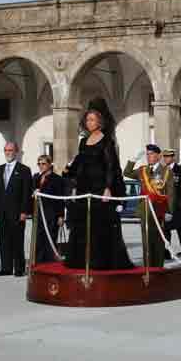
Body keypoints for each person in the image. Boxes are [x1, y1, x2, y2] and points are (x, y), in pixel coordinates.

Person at [65, 107, 133, 271]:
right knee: (81, 225)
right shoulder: (83, 141)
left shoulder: (106, 140)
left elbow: (111, 166)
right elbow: (80, 164)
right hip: (83, 187)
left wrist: (108, 188)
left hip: (99, 187)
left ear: (100, 122)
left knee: (99, 226)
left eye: (93, 120)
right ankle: (80, 260)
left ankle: (100, 261)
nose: (89, 123)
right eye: (87, 120)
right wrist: (72, 182)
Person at [124, 144, 175, 268]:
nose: (149, 156)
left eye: (151, 154)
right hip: (145, 210)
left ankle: (158, 267)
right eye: (147, 154)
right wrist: (133, 159)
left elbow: (171, 192)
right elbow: (127, 173)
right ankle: (148, 268)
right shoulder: (142, 170)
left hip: (159, 209)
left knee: (158, 240)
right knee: (146, 240)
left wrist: (170, 211)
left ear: (158, 156)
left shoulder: (166, 171)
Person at [0, 141, 33, 277]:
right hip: (2, 212)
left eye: (11, 150)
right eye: (6, 150)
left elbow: (26, 193)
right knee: (4, 240)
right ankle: (6, 268)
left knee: (17, 240)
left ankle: (19, 268)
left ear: (16, 152)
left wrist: (24, 211)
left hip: (17, 212)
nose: (8, 153)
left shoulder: (24, 170)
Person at [32, 154, 67, 264]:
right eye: (39, 164)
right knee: (38, 239)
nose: (41, 166)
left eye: (43, 163)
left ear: (49, 164)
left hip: (52, 214)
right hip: (38, 214)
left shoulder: (57, 179)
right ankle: (38, 263)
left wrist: (61, 216)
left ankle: (49, 263)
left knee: (50, 239)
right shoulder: (36, 178)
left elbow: (60, 199)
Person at [162, 149, 181, 261]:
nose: (166, 159)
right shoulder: (162, 170)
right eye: (164, 156)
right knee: (166, 231)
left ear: (173, 157)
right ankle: (166, 252)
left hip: (179, 205)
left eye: (168, 156)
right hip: (166, 205)